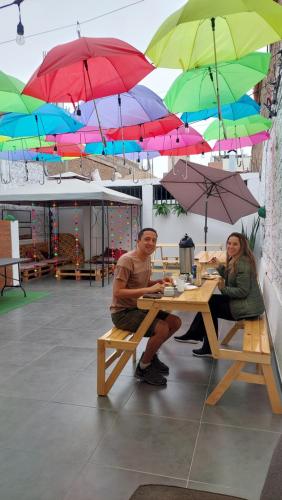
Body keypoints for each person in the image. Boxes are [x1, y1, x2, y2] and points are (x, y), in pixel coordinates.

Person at [174, 232, 265, 357]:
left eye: (235, 244)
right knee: (210, 301)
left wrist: (223, 288)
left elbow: (242, 291)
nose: (230, 246)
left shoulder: (242, 263)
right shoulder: (238, 259)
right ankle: (196, 336)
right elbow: (232, 277)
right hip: (247, 304)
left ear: (242, 246)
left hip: (247, 309)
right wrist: (219, 267)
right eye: (229, 243)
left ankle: (205, 345)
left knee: (210, 307)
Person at [110, 227, 182, 385]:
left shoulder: (147, 258)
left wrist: (158, 282)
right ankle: (143, 368)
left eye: (154, 240)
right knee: (162, 327)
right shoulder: (126, 261)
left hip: (139, 307)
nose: (151, 243)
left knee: (175, 322)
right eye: (147, 239)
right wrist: (150, 289)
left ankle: (149, 355)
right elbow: (118, 292)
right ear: (138, 241)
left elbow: (142, 284)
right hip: (122, 313)